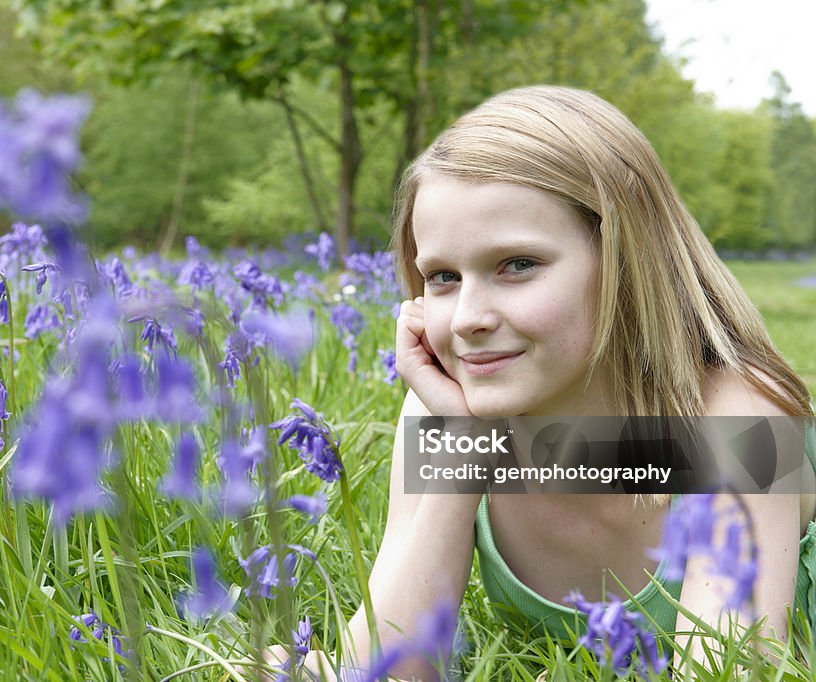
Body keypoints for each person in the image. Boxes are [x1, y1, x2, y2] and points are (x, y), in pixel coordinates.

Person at [285, 85, 816, 681]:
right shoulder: (445, 413)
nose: (467, 319)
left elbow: (723, 671)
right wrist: (466, 448)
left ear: (625, 261)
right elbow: (385, 669)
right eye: (442, 276)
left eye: (517, 265)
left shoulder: (739, 423)